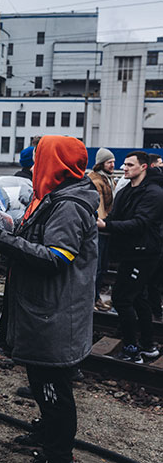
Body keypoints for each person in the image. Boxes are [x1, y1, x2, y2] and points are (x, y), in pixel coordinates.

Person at [0, 136, 98, 463]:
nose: (34, 167)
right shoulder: (55, 198)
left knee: (53, 389)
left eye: (39, 159)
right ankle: (47, 431)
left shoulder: (67, 206)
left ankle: (57, 452)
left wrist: (0, 239)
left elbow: (54, 258)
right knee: (41, 381)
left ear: (56, 164)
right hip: (47, 310)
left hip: (55, 314)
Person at [98, 151, 163, 362]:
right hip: (131, 252)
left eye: (129, 165)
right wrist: (101, 223)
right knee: (138, 298)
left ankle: (132, 350)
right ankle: (148, 346)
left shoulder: (154, 193)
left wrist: (106, 225)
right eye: (124, 164)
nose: (124, 168)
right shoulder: (127, 191)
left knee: (122, 299)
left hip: (144, 254)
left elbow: (140, 223)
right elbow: (116, 217)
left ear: (143, 167)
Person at [88, 148, 116, 311]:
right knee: (97, 268)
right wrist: (105, 222)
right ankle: (93, 298)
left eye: (113, 161)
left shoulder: (108, 179)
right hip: (99, 229)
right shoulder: (96, 180)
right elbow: (99, 207)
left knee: (102, 267)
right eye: (109, 162)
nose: (113, 164)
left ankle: (96, 297)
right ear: (101, 164)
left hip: (106, 229)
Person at [146, 154, 163, 320]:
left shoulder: (153, 193)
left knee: (150, 283)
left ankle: (155, 312)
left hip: (155, 242)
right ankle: (156, 312)